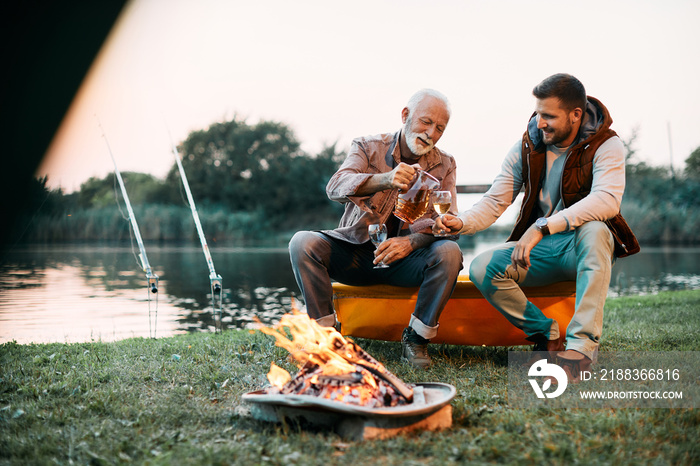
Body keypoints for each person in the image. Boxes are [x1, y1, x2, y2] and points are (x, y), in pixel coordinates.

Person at [436, 74, 639, 382]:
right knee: (481, 267)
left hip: (580, 247)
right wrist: (460, 221)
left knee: (597, 230)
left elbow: (607, 201)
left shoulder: (606, 144)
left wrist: (543, 226)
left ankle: (581, 348)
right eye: (538, 113)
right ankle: (548, 334)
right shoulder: (528, 145)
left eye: (549, 116)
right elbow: (495, 200)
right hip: (540, 251)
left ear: (575, 115)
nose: (540, 122)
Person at [289, 89, 464, 369]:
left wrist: (411, 243)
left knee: (450, 251)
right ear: (405, 115)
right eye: (426, 122)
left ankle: (417, 340)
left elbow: (450, 224)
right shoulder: (367, 146)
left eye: (440, 128)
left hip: (407, 262)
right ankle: (329, 339)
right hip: (356, 255)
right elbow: (335, 187)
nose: (431, 133)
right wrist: (385, 179)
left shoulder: (446, 164)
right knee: (302, 243)